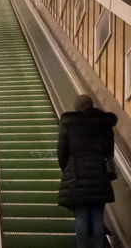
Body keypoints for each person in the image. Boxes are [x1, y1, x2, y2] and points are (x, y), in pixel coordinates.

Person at [58, 95, 117, 248]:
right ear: (92, 105)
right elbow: (109, 152)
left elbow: (61, 153)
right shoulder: (105, 124)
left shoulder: (69, 124)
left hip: (76, 176)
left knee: (81, 216)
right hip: (99, 175)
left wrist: (68, 169)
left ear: (76, 108)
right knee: (97, 215)